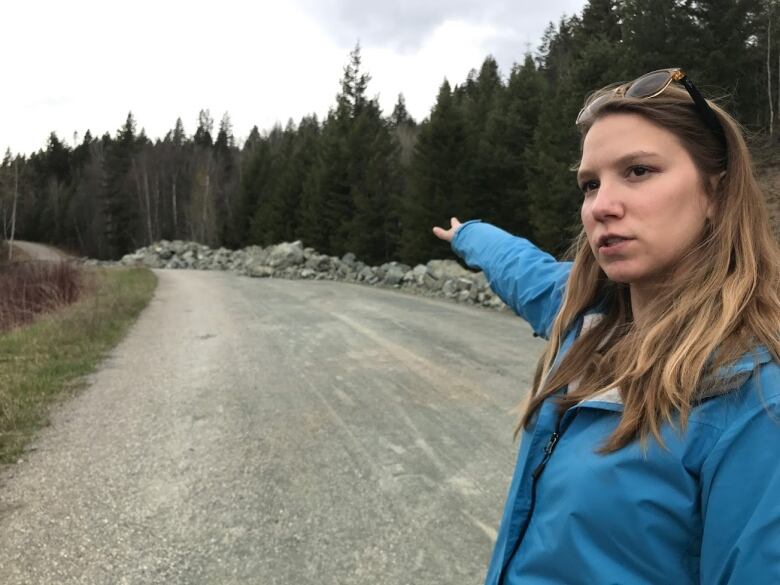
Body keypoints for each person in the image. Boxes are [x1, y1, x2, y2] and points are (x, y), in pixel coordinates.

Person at [433, 68, 780, 585]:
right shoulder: (590, 319)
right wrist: (471, 237)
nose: (601, 206)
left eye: (638, 171)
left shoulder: (756, 400)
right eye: (590, 184)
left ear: (715, 192)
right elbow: (522, 270)